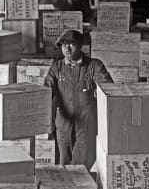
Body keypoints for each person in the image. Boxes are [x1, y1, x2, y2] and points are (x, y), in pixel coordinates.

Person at [43, 29, 113, 170]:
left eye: (71, 45)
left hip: (86, 124)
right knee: (64, 165)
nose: (67, 49)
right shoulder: (57, 67)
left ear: (80, 46)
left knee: (79, 167)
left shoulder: (94, 66)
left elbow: (108, 90)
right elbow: (45, 93)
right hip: (63, 124)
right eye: (63, 45)